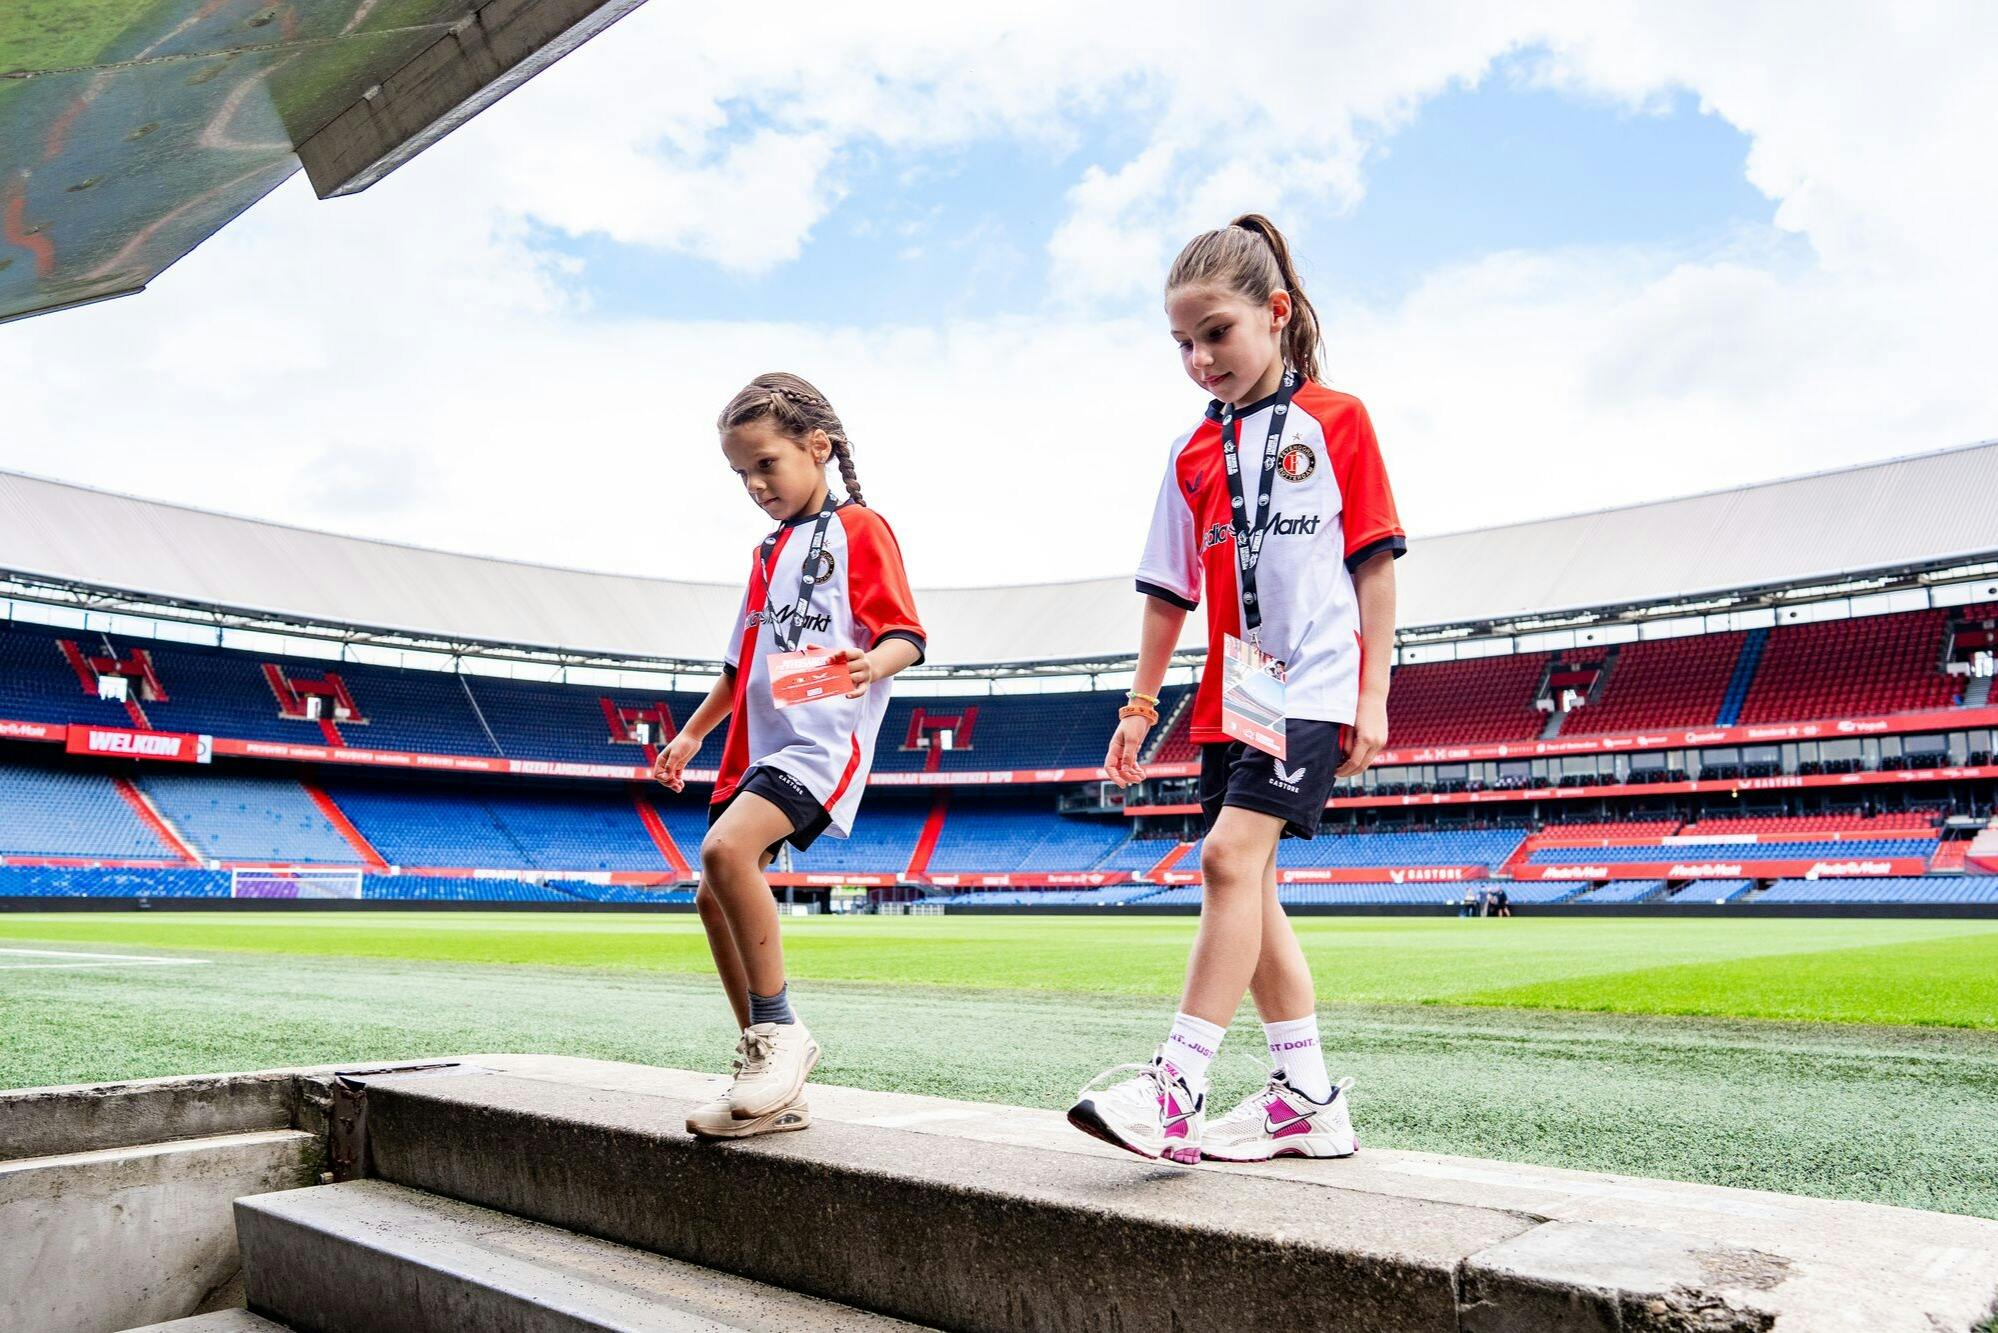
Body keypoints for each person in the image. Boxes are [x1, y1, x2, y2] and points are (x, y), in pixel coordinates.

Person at [1068, 215, 1403, 1165]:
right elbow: (1167, 593)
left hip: (1317, 675)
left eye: (1215, 331)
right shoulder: (1187, 455)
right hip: (1238, 689)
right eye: (1181, 342)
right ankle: (1306, 1098)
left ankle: (1175, 1090)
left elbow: (1375, 567)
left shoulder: (1338, 421)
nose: (1199, 357)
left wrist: (1373, 692)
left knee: (1225, 862)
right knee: (1251, 885)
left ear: (1276, 314)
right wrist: (1138, 708)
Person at [654, 372, 926, 1139]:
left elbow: (907, 632)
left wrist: (876, 664)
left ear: (818, 447)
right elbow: (742, 664)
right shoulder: (766, 550)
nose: (754, 484)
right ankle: (768, 1079)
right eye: (741, 473)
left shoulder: (861, 530)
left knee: (724, 850)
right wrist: (694, 732)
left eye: (766, 464)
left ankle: (781, 1032)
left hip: (820, 738)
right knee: (713, 895)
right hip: (755, 745)